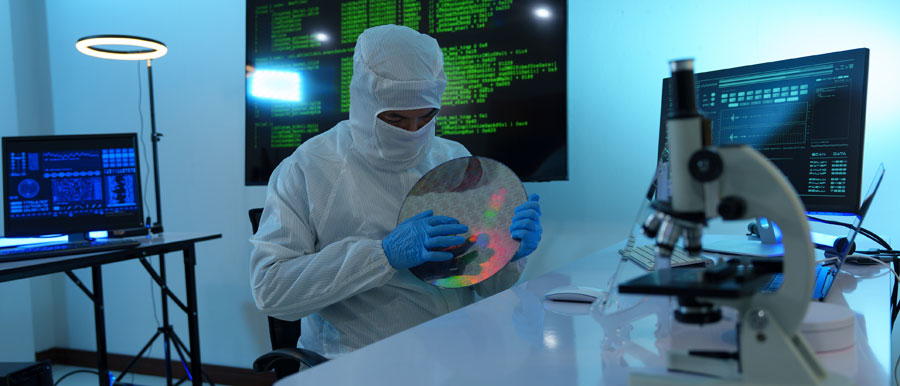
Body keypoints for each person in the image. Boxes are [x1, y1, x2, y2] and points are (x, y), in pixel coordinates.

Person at [250, 24, 543, 357]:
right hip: (361, 362)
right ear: (362, 101)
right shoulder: (308, 169)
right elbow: (270, 290)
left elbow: (482, 285)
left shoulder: (454, 159)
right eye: (396, 119)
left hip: (458, 351)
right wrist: (382, 255)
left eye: (426, 117)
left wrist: (507, 254)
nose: (413, 132)